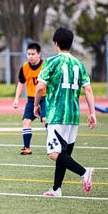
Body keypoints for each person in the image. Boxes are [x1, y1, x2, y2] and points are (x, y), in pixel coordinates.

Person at [34, 27, 96, 197]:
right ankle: (56, 189)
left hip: (57, 114)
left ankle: (84, 172)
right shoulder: (79, 64)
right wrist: (92, 113)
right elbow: (88, 90)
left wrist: (35, 105)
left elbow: (40, 87)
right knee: (63, 154)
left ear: (56, 43)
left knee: (54, 153)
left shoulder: (51, 62)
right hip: (73, 116)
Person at [13, 43, 46, 155]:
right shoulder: (24, 67)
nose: (30, 56)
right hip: (32, 99)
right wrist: (16, 98)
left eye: (33, 54)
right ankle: (27, 148)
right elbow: (21, 83)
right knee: (26, 121)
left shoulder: (46, 65)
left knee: (47, 121)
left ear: (39, 54)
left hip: (45, 98)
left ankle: (54, 146)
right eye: (28, 54)